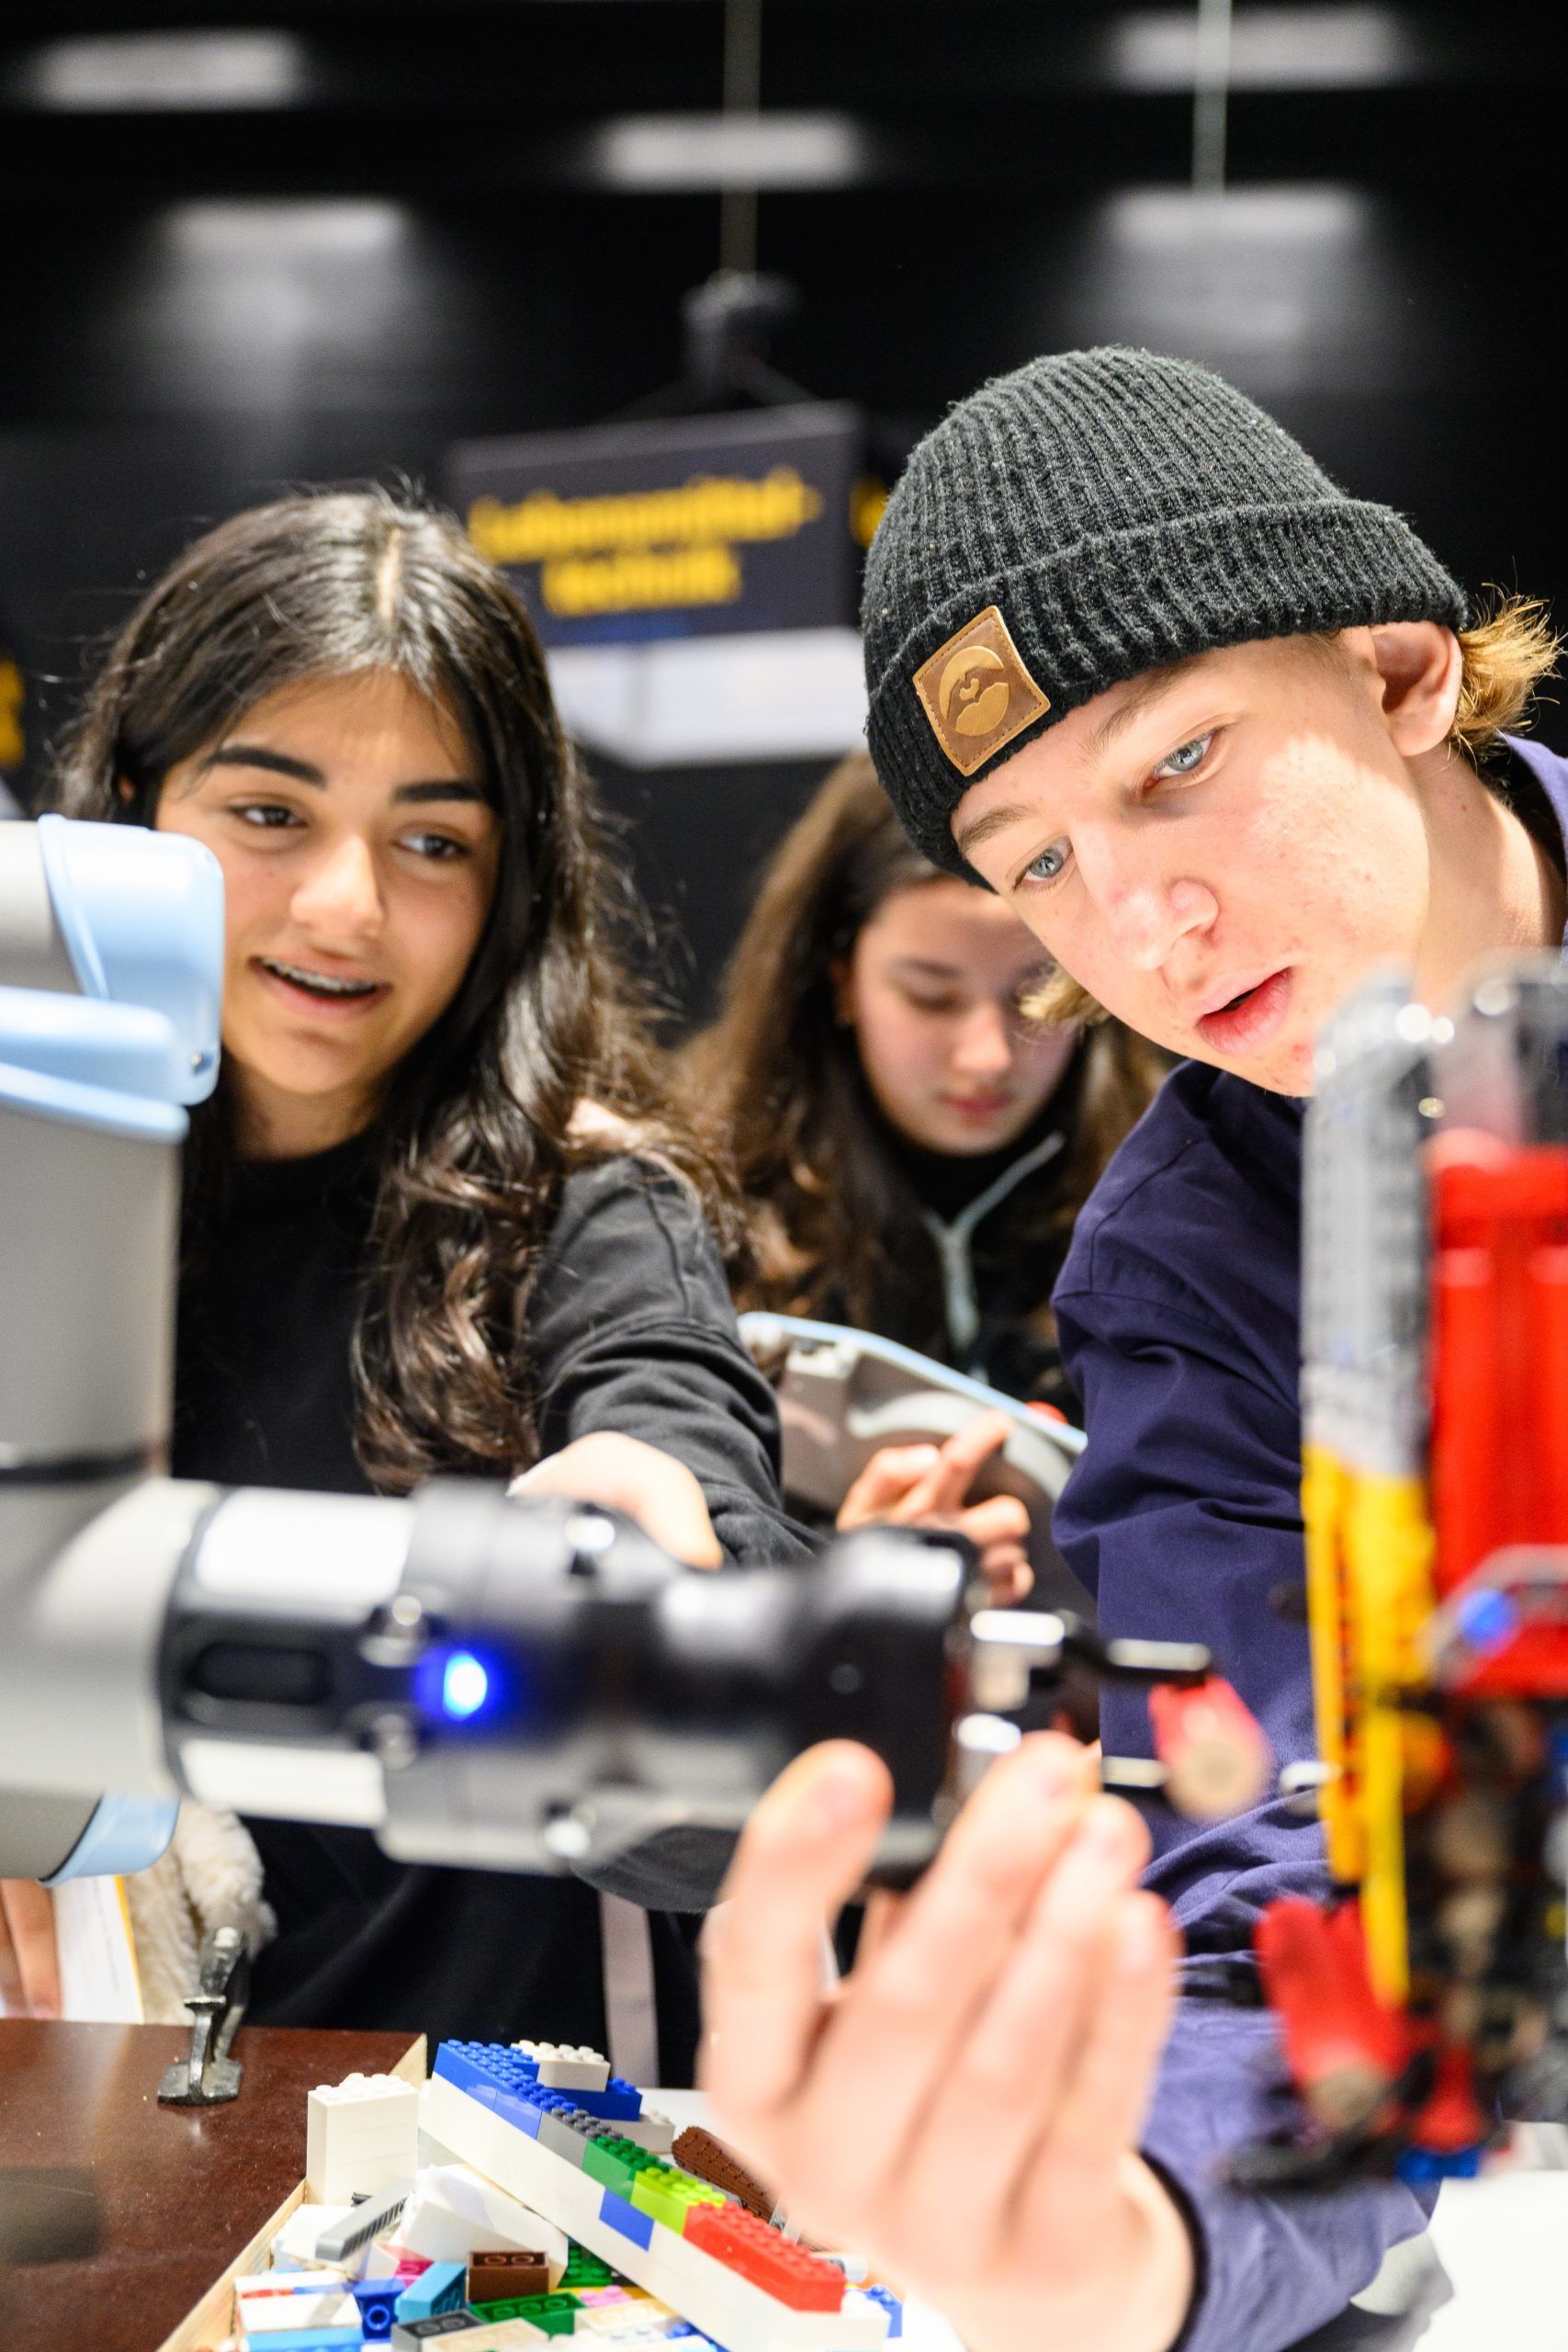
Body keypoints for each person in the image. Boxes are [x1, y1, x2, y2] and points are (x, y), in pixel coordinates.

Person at [701, 346, 1567, 2351]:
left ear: (1397, 667)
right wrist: (1134, 2229)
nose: (1141, 917)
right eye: (1033, 863)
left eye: (1173, 762)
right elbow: (1285, 1869)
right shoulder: (1187, 1258)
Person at [0, 487, 804, 2071]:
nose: (346, 907)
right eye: (270, 812)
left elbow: (684, 1475)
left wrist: (652, 1547)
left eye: (431, 840)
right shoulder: (38, 1191)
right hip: (115, 2157)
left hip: (503, 2186)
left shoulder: (583, 1206)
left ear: (508, 887)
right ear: (134, 807)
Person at [687, 749, 1162, 1416]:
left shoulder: (1178, 1194)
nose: (985, 1058)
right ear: (840, 980)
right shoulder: (690, 1202)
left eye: (1037, 995)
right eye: (929, 998)